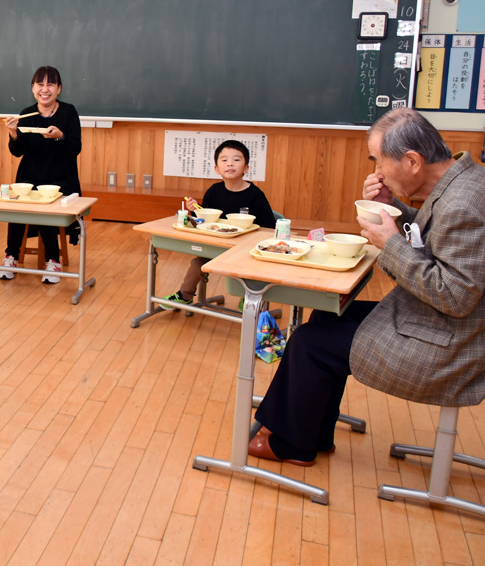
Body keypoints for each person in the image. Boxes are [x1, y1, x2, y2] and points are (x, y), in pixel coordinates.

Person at [250, 108, 485, 466]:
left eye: (379, 161)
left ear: (411, 161)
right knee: (326, 316)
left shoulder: (465, 203)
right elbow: (433, 239)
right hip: (442, 323)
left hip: (449, 344)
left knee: (309, 342)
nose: (376, 172)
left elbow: (454, 295)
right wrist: (391, 209)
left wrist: (390, 243)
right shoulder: (461, 182)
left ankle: (291, 444)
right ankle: (310, 432)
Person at [163, 139, 277, 308]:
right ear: (216, 169)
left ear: (246, 168)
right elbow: (204, 221)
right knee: (198, 262)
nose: (230, 163)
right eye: (224, 160)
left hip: (245, 250)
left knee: (247, 266)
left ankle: (249, 298)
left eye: (236, 159)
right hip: (216, 246)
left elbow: (269, 227)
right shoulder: (214, 191)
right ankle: (185, 295)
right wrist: (194, 210)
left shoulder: (255, 195)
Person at [0, 65, 82, 284]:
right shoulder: (27, 113)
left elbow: (75, 148)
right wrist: (13, 133)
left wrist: (60, 136)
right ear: (33, 88)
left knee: (46, 202)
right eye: (40, 84)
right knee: (18, 202)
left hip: (60, 177)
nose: (45, 89)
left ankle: (52, 260)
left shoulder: (68, 112)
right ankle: (11, 257)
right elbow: (18, 151)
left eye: (50, 84)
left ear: (59, 89)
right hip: (30, 175)